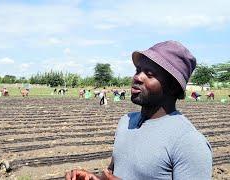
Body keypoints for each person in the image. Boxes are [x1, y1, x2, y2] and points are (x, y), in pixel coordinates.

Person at [66, 41, 212, 179]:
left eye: (149, 74)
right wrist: (95, 178)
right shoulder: (126, 121)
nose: (137, 77)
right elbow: (114, 172)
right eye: (138, 70)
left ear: (173, 86)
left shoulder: (189, 142)